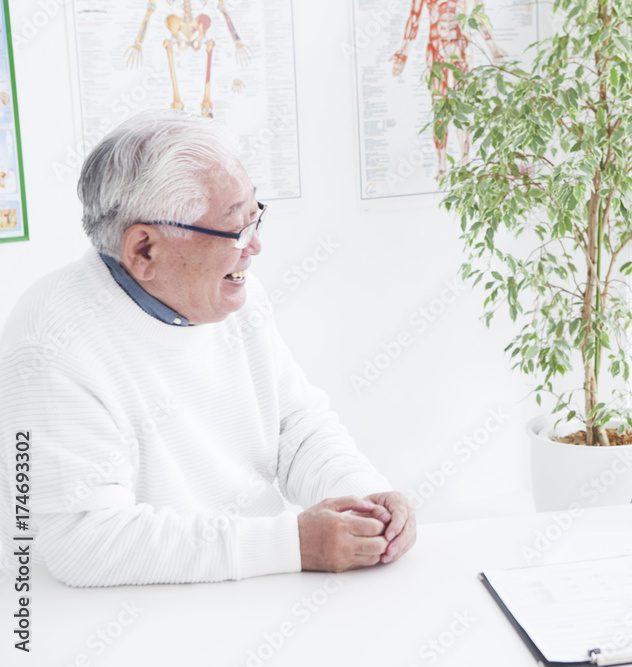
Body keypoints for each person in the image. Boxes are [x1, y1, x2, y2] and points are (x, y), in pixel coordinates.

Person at [0, 110, 416, 586]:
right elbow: (85, 542)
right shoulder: (49, 344)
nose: (255, 245)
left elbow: (296, 430)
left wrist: (365, 500)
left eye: (256, 215)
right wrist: (292, 544)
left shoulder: (233, 298)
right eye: (235, 228)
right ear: (144, 250)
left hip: (254, 590)